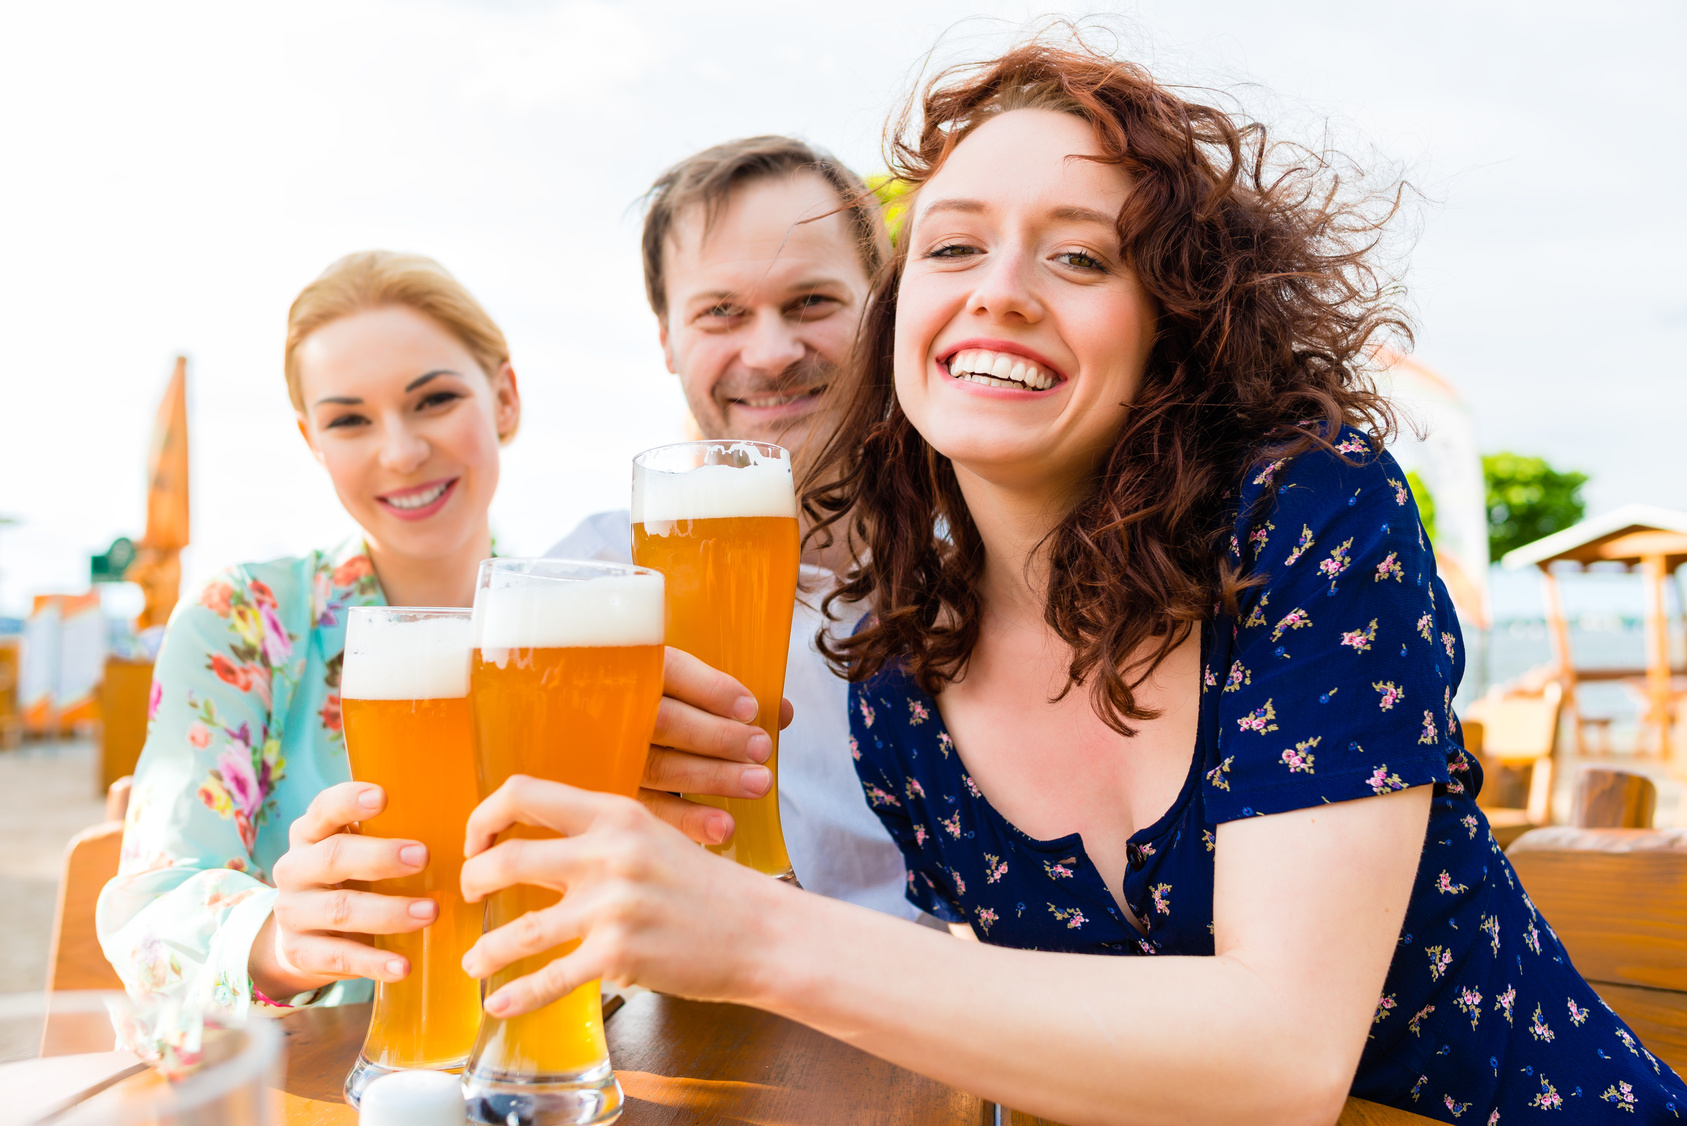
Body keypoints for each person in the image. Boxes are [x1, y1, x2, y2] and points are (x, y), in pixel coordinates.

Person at [453, 40, 1687, 1125]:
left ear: (1175, 321)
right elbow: (1016, 1029)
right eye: (951, 245)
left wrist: (756, 934)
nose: (996, 287)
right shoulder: (897, 671)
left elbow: (1284, 1058)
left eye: (1082, 258)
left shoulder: (1303, 512)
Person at [93, 251, 524, 1050]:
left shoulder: (579, 633)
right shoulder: (245, 619)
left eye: (433, 399)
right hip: (307, 1083)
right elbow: (155, 908)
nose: (399, 452)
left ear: (504, 397)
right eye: (349, 419)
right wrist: (282, 942)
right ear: (310, 440)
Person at [547, 136, 918, 918]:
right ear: (666, 340)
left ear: (880, 311)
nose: (773, 351)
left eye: (811, 302)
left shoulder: (986, 561)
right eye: (722, 312)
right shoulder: (585, 586)